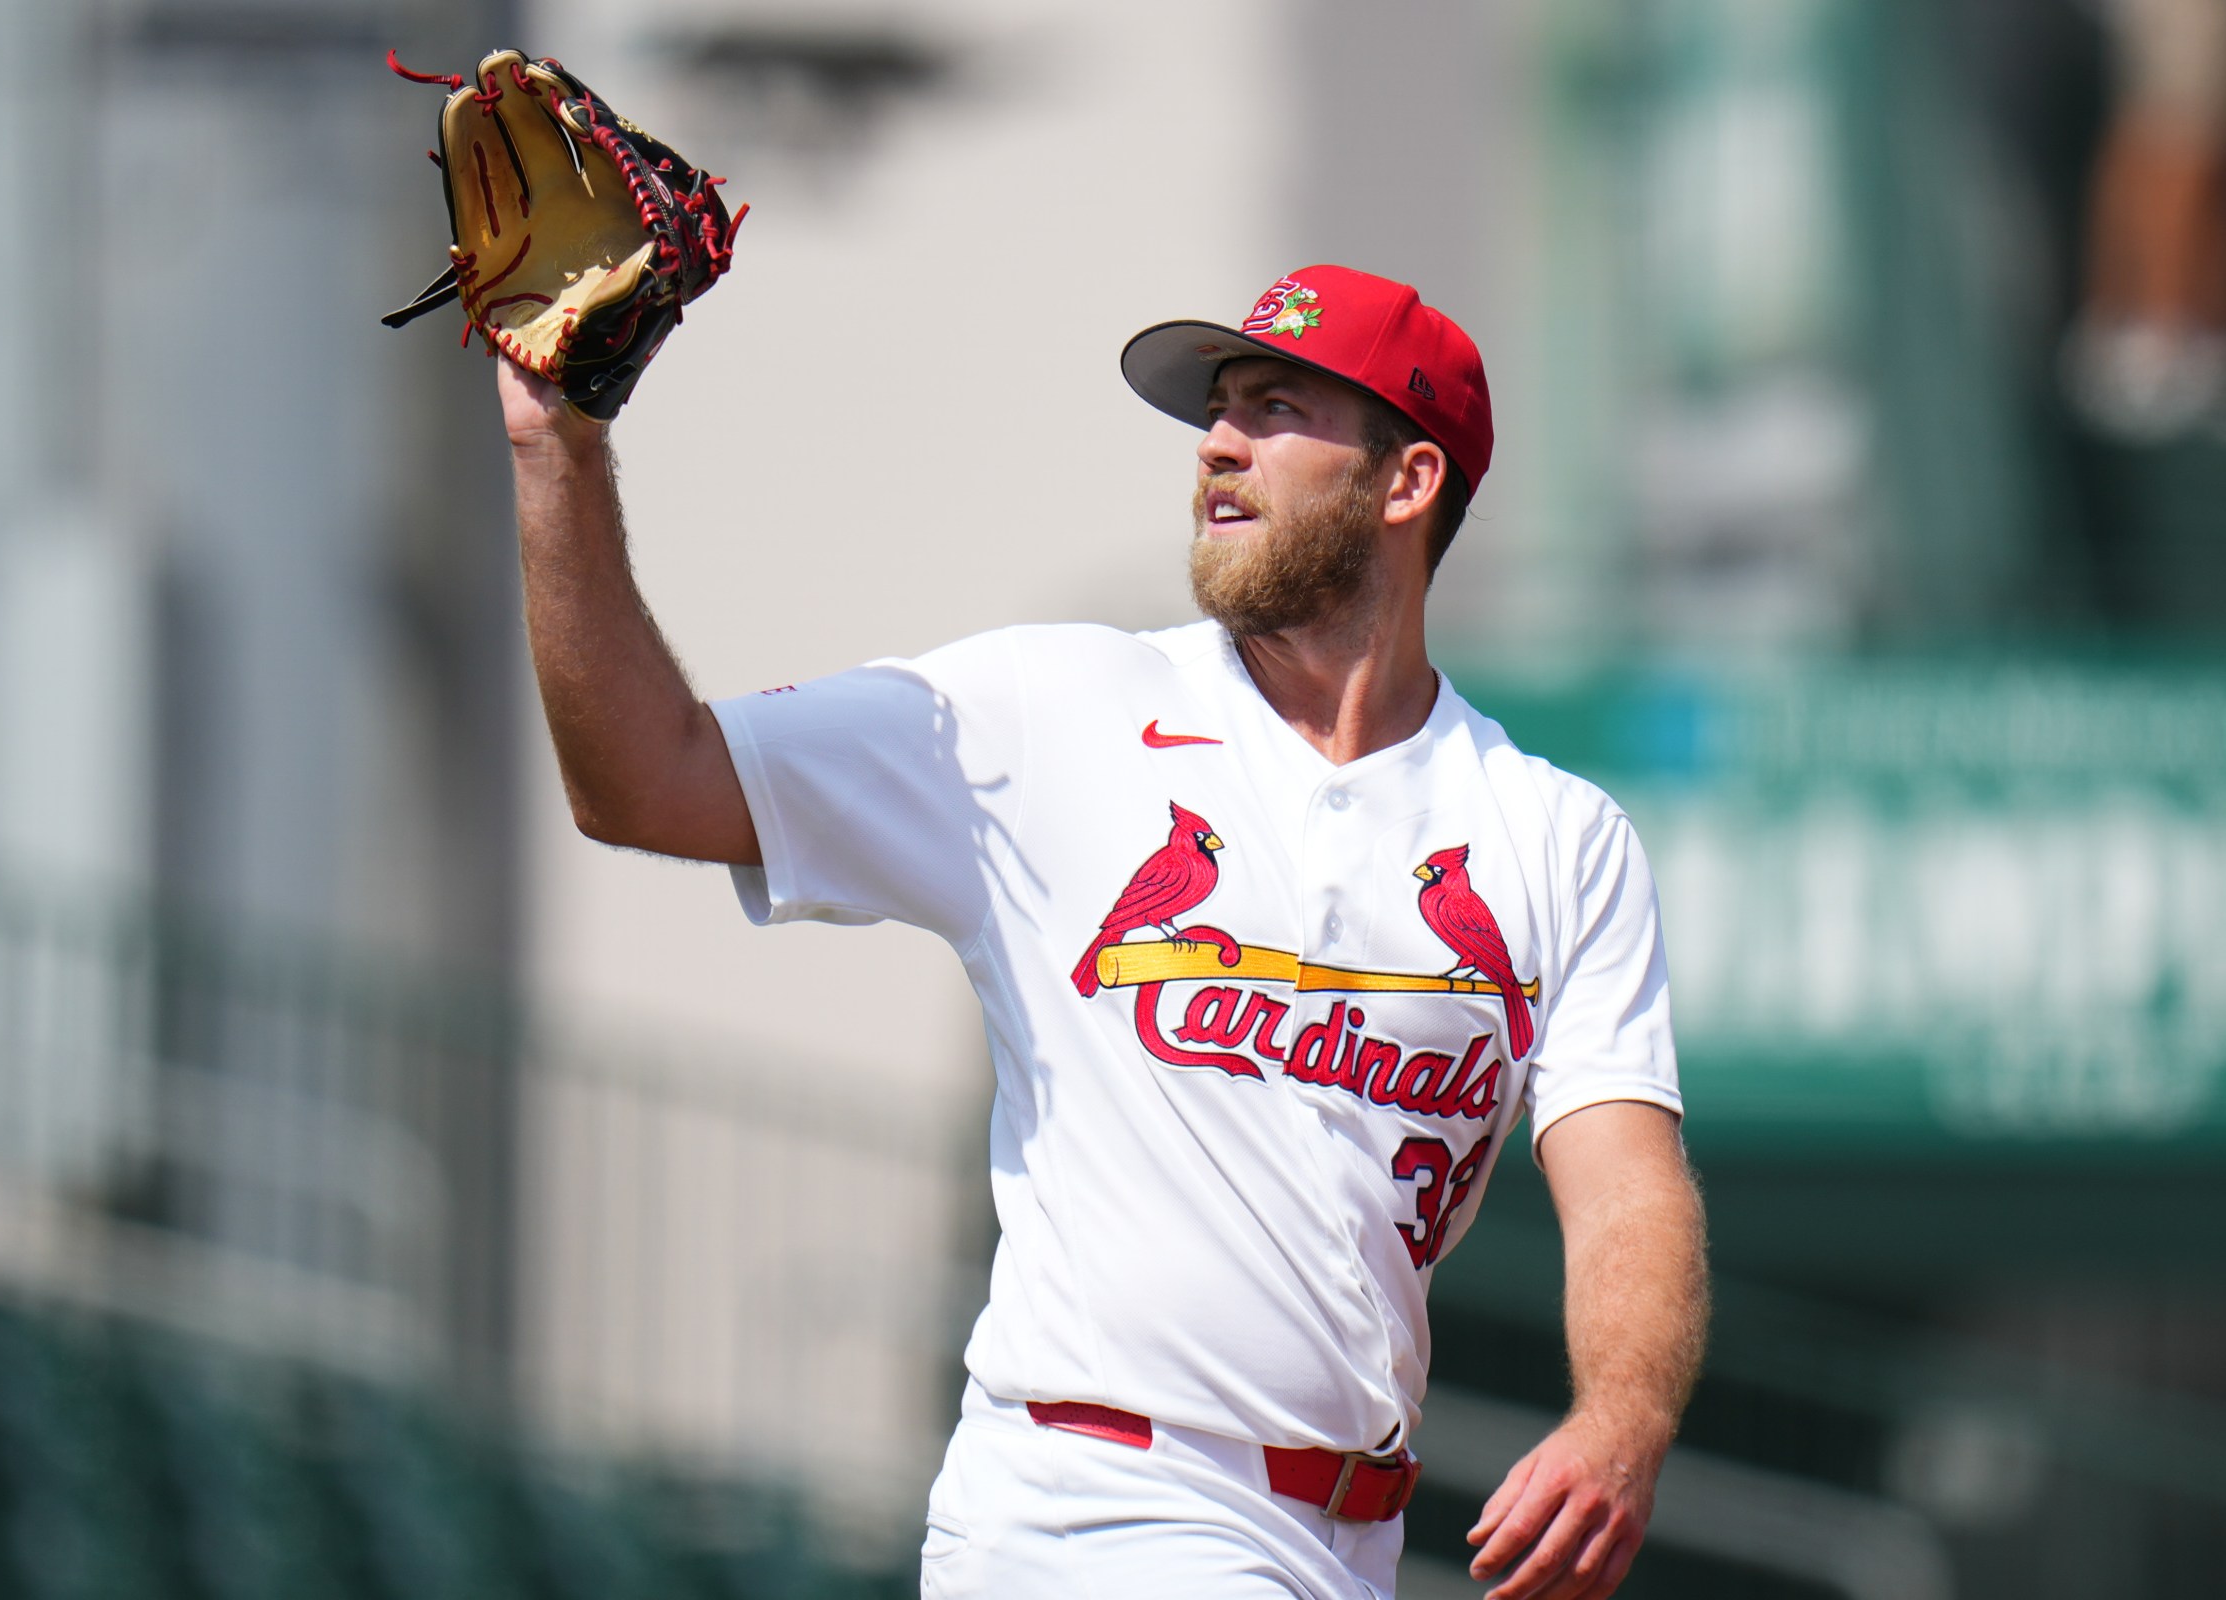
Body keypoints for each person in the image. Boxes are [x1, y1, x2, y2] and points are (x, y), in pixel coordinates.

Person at [499, 263, 1708, 1600]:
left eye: (1276, 406)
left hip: (1347, 1544)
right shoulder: (1058, 708)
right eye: (1217, 408)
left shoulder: (1553, 837)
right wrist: (558, 442)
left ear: (1408, 483)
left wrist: (1623, 1420)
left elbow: (1628, 1189)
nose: (1219, 445)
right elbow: (646, 777)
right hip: (1094, 1508)